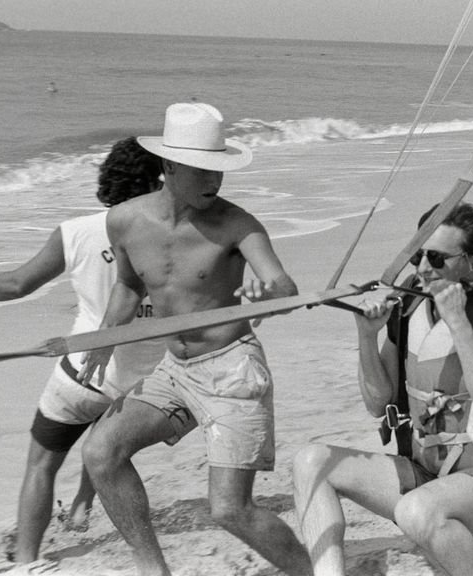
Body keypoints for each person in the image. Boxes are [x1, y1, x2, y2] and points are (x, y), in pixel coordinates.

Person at [79, 102, 311, 576]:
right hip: (175, 371)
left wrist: (266, 290)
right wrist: (105, 339)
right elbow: (128, 286)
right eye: (202, 170)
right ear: (168, 166)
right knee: (101, 452)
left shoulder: (237, 224)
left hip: (232, 370)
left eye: (219, 170)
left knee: (229, 510)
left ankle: (316, 572)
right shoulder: (124, 221)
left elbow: (285, 291)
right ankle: (152, 569)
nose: (215, 181)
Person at [0, 137, 167, 565]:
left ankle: (26, 559)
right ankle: (82, 500)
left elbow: (17, 284)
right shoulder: (174, 234)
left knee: (41, 464)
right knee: (107, 443)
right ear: (156, 181)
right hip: (146, 385)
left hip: (80, 376)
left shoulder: (76, 233)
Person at [292, 203, 473, 576]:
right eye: (417, 255)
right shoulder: (408, 311)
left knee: (414, 509)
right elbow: (378, 403)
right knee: (311, 462)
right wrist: (367, 336)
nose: (422, 270)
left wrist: (457, 319)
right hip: (423, 474)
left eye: (436, 259)